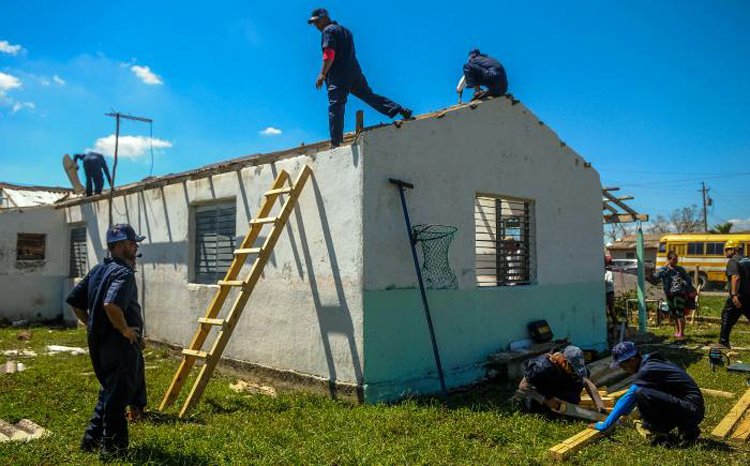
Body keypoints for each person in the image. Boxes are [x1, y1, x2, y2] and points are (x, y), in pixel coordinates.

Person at [66, 223, 146, 455]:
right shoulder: (123, 273)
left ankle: (90, 441)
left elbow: (75, 302)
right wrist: (125, 330)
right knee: (117, 397)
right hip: (119, 346)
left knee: (109, 391)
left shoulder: (98, 270)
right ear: (120, 245)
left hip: (100, 343)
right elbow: (111, 304)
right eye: (132, 243)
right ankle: (113, 450)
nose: (135, 248)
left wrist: (90, 322)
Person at [307, 8, 412, 147]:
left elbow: (329, 53)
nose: (316, 26)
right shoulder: (346, 31)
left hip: (339, 75)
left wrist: (322, 74)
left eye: (317, 22)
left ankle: (335, 143)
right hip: (355, 73)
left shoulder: (328, 31)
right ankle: (399, 109)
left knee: (336, 106)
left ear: (324, 18)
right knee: (369, 96)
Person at [591, 342, 704, 445]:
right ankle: (689, 430)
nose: (623, 369)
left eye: (622, 365)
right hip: (692, 408)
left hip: (691, 410)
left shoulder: (647, 370)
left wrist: (605, 425)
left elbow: (627, 398)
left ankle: (662, 436)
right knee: (645, 392)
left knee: (641, 393)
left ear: (633, 360)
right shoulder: (650, 361)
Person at [517, 345, 605, 413]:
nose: (575, 372)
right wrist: (545, 400)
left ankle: (564, 409)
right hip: (540, 396)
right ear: (564, 361)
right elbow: (522, 386)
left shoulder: (572, 368)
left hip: (556, 389)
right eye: (573, 369)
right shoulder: (542, 367)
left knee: (578, 382)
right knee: (540, 409)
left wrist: (599, 404)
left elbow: (587, 382)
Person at [654, 251, 695, 340]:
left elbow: (688, 280)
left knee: (680, 313)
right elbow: (656, 276)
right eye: (673, 260)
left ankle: (681, 333)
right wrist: (665, 267)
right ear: (668, 260)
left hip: (679, 293)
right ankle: (677, 331)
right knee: (674, 313)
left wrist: (682, 283)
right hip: (669, 294)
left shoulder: (680, 270)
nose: (675, 262)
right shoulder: (664, 270)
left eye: (676, 260)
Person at [719, 240, 750, 348]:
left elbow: (735, 278)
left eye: (727, 249)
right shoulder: (748, 259)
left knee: (726, 316)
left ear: (733, 250)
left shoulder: (733, 261)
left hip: (739, 296)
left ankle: (723, 342)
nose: (725, 252)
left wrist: (734, 295)